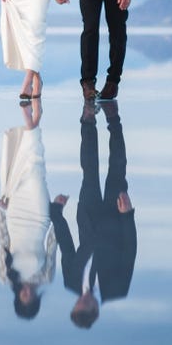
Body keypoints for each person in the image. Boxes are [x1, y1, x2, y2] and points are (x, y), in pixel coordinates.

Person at [50, 101, 136, 329]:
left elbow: (66, 247)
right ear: (94, 309)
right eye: (85, 304)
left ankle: (88, 119)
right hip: (116, 217)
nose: (81, 299)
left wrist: (56, 214)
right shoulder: (117, 290)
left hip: (88, 217)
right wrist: (127, 216)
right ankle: (114, 120)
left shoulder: (71, 283)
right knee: (117, 167)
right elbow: (129, 252)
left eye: (77, 303)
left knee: (89, 168)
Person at [0, 98, 58, 319]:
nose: (26, 293)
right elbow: (52, 246)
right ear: (34, 299)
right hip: (40, 217)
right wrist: (57, 214)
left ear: (17, 297)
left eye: (22, 297)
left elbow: (3, 242)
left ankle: (33, 113)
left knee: (28, 166)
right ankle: (32, 113)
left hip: (15, 217)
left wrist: (2, 212)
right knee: (35, 169)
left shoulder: (6, 277)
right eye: (29, 298)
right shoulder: (45, 277)